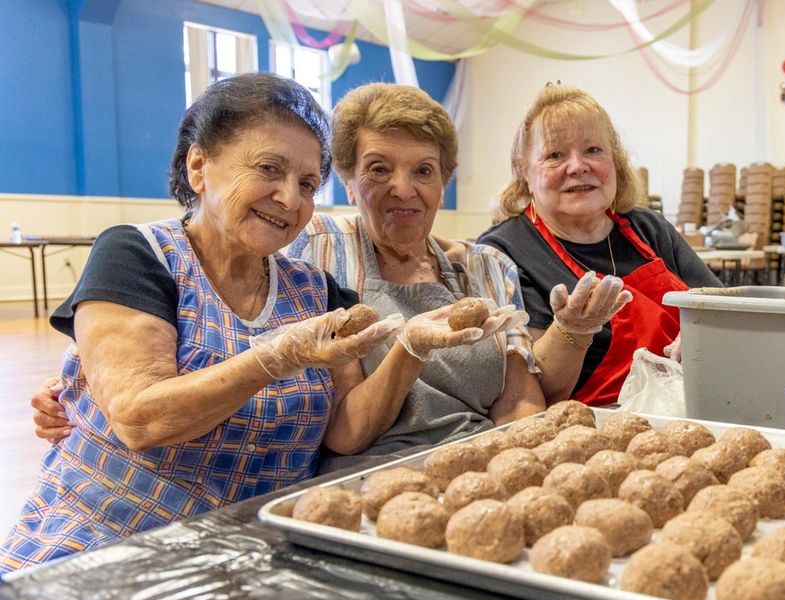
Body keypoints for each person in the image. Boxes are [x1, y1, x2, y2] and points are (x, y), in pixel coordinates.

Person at [1, 74, 415, 572]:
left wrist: (412, 348)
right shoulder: (138, 255)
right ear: (199, 166)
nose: (290, 198)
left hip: (252, 554)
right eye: (269, 168)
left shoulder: (317, 290)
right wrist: (273, 357)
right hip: (106, 542)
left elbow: (344, 433)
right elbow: (139, 418)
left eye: (307, 184)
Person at [286, 83, 545, 469]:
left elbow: (519, 402)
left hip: (481, 464)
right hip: (369, 476)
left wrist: (519, 467)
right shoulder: (319, 252)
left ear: (443, 185)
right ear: (349, 183)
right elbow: (347, 433)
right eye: (379, 169)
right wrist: (411, 347)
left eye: (423, 171)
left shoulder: (487, 266)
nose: (403, 189)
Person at [477, 83, 722, 405]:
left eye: (593, 150)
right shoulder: (503, 251)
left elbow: (719, 309)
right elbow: (530, 393)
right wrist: (572, 330)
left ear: (615, 161)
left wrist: (701, 334)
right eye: (555, 155)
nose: (578, 166)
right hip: (586, 427)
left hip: (686, 407)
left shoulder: (648, 229)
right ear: (524, 169)